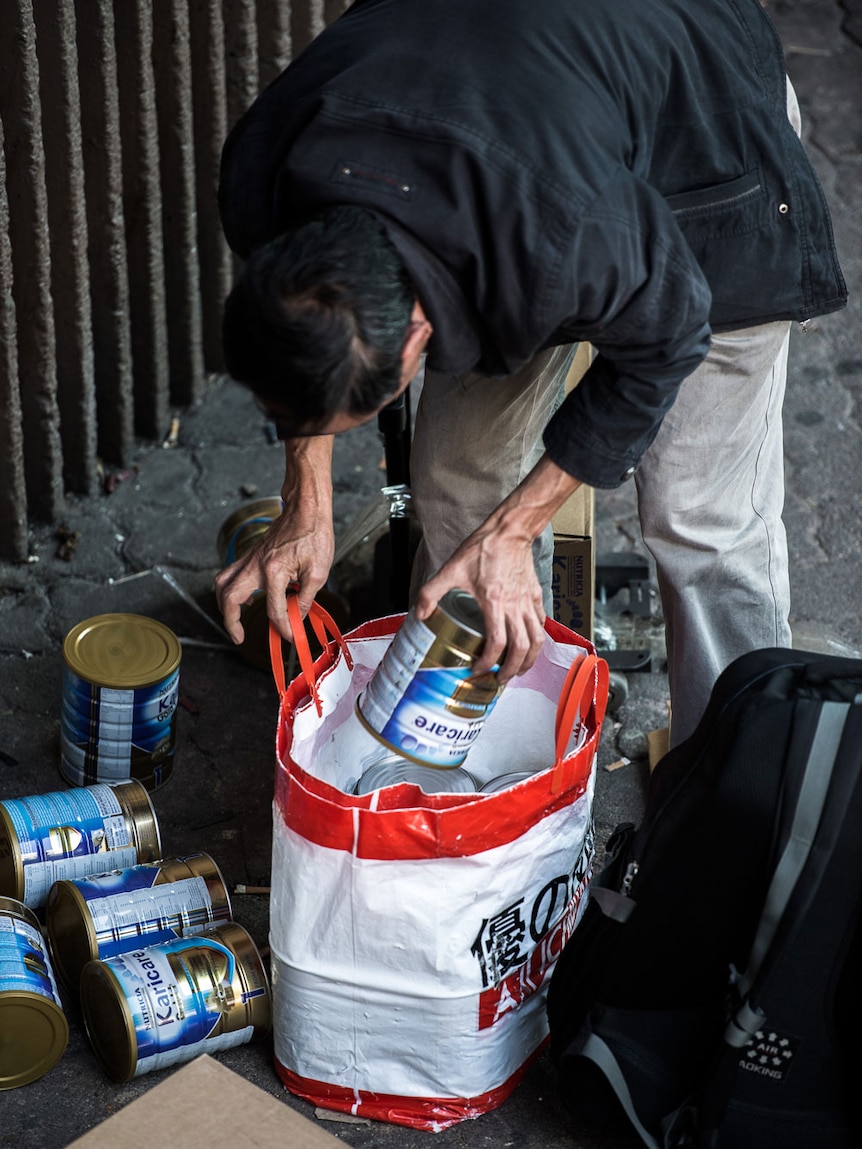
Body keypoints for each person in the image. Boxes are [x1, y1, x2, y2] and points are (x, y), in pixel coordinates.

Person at [214, 0, 846, 747]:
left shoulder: (567, 229)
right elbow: (300, 346)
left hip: (705, 139)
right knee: (455, 483)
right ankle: (500, 750)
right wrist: (303, 501)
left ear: (416, 334)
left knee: (698, 518)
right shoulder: (267, 171)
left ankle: (736, 782)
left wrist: (515, 532)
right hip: (524, 122)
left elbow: (667, 337)